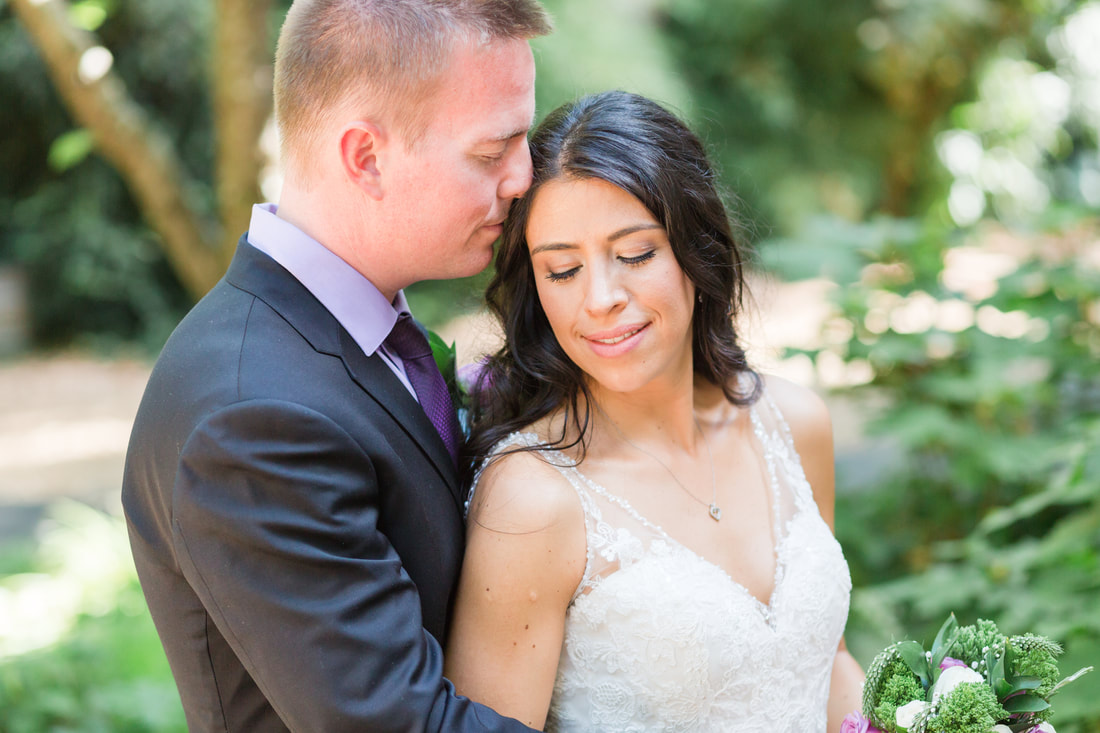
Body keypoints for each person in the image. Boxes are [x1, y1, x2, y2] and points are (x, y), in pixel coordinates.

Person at [121, 1, 550, 730]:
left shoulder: (366, 330)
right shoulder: (250, 419)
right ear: (367, 157)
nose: (524, 177)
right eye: (491, 153)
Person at [444, 90, 865, 731]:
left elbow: (824, 663)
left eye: (636, 255)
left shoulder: (795, 423)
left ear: (697, 251)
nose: (602, 298)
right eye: (563, 270)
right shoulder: (532, 500)